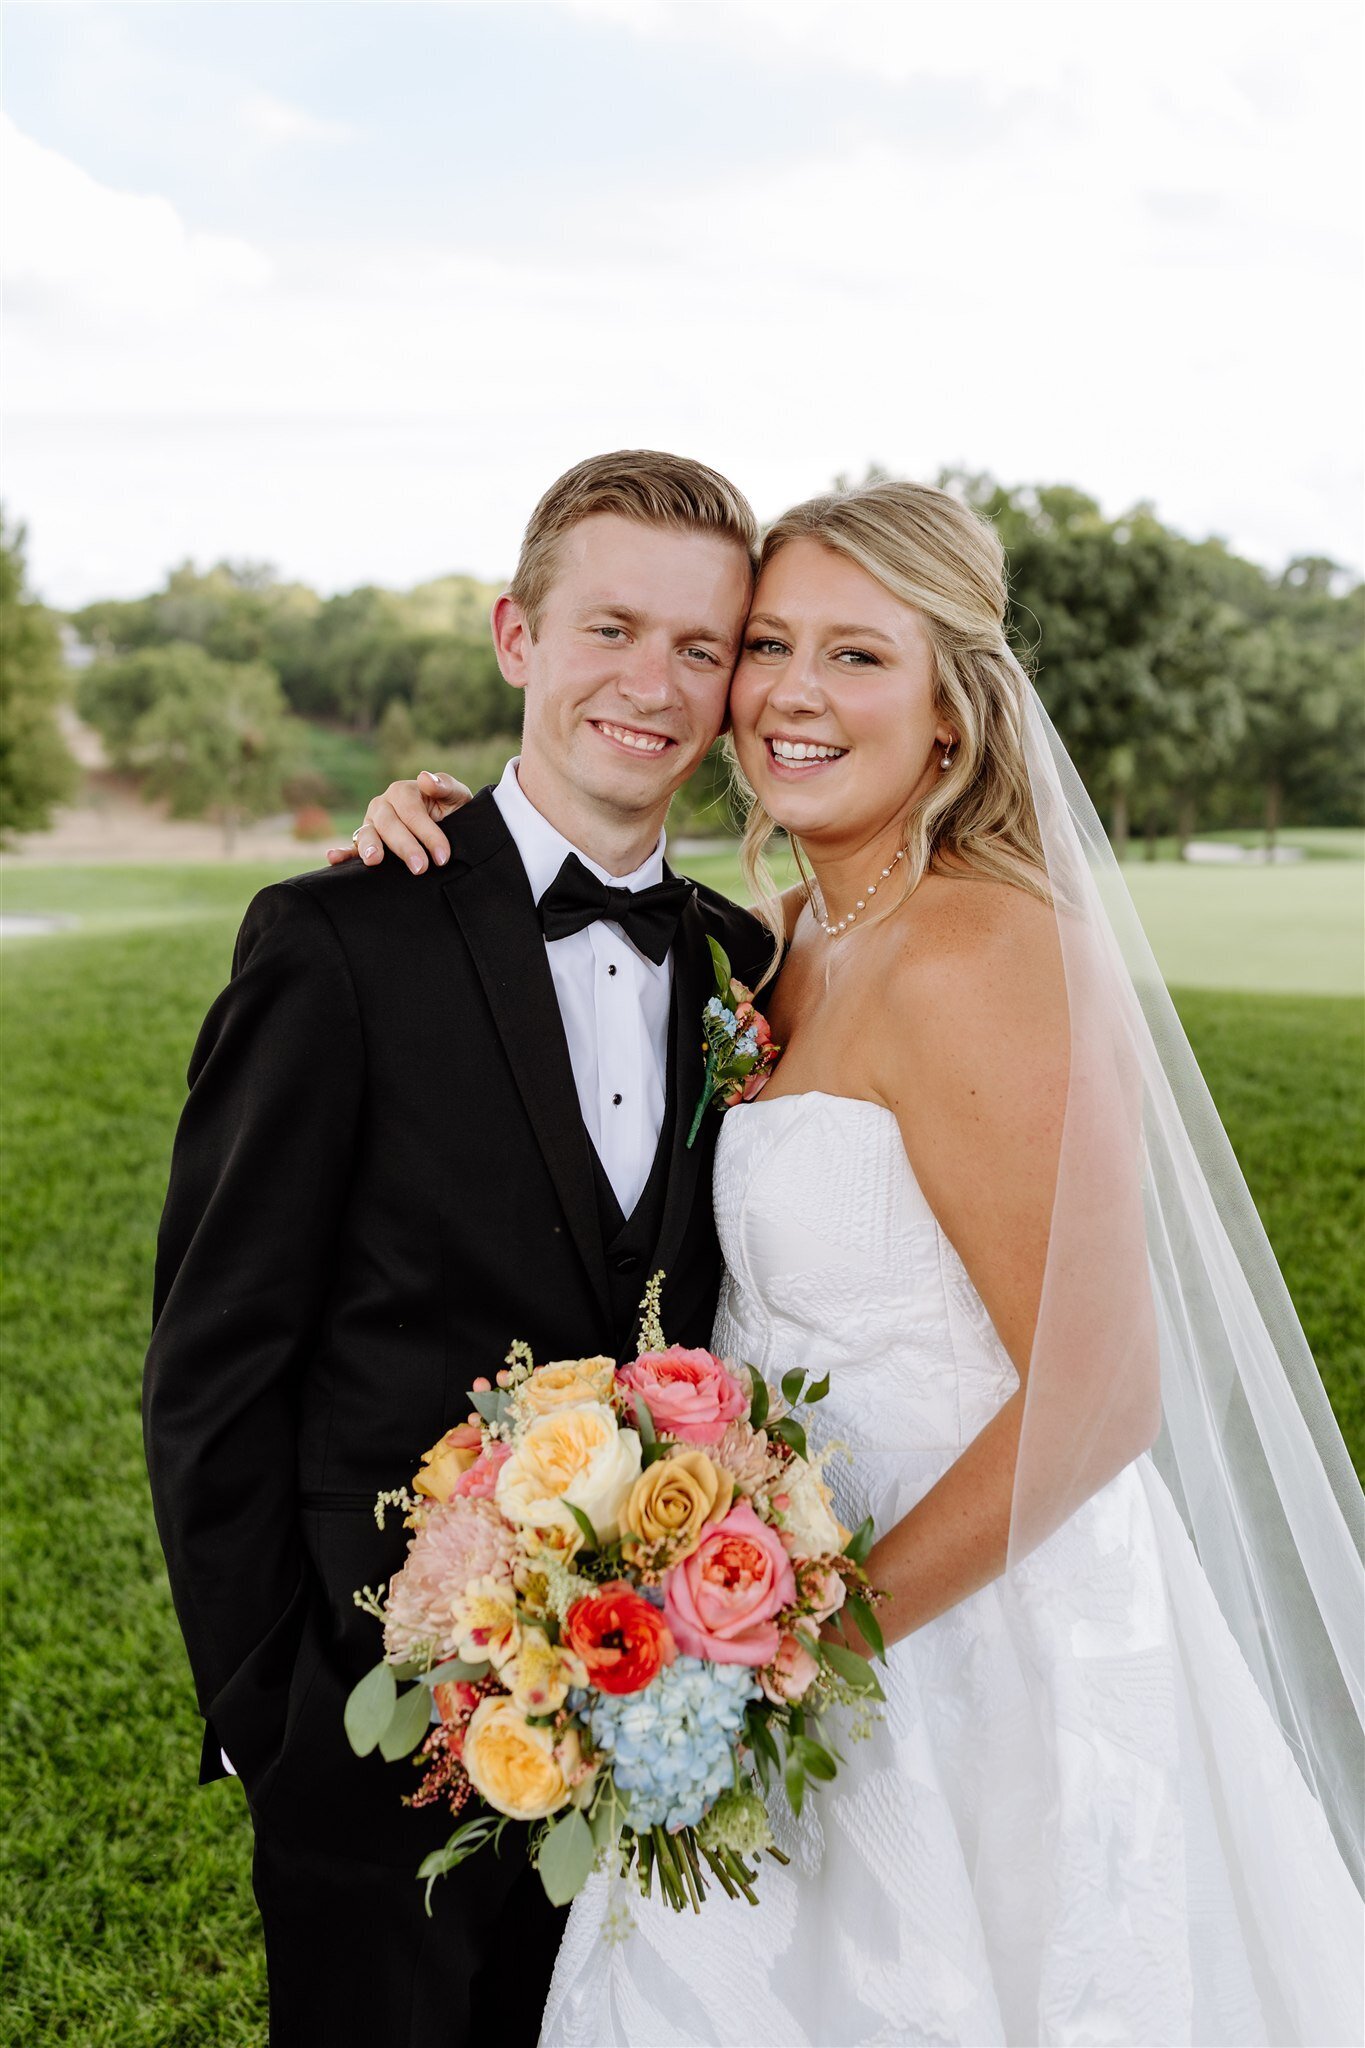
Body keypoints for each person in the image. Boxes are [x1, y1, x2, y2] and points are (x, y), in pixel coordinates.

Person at [350, 477, 1364, 2046]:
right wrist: (439, 837)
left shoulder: (981, 949)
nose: (792, 695)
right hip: (761, 1601)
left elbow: (1098, 1395)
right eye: (767, 645)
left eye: (858, 657)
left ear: (952, 713)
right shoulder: (777, 944)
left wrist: (801, 1654)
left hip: (972, 1643)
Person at [141, 450, 773, 2048]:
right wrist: (266, 1718)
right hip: (371, 1730)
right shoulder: (338, 938)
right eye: (609, 628)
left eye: (699, 647)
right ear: (515, 638)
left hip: (656, 1732)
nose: (653, 682)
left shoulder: (747, 969)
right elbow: (213, 1360)